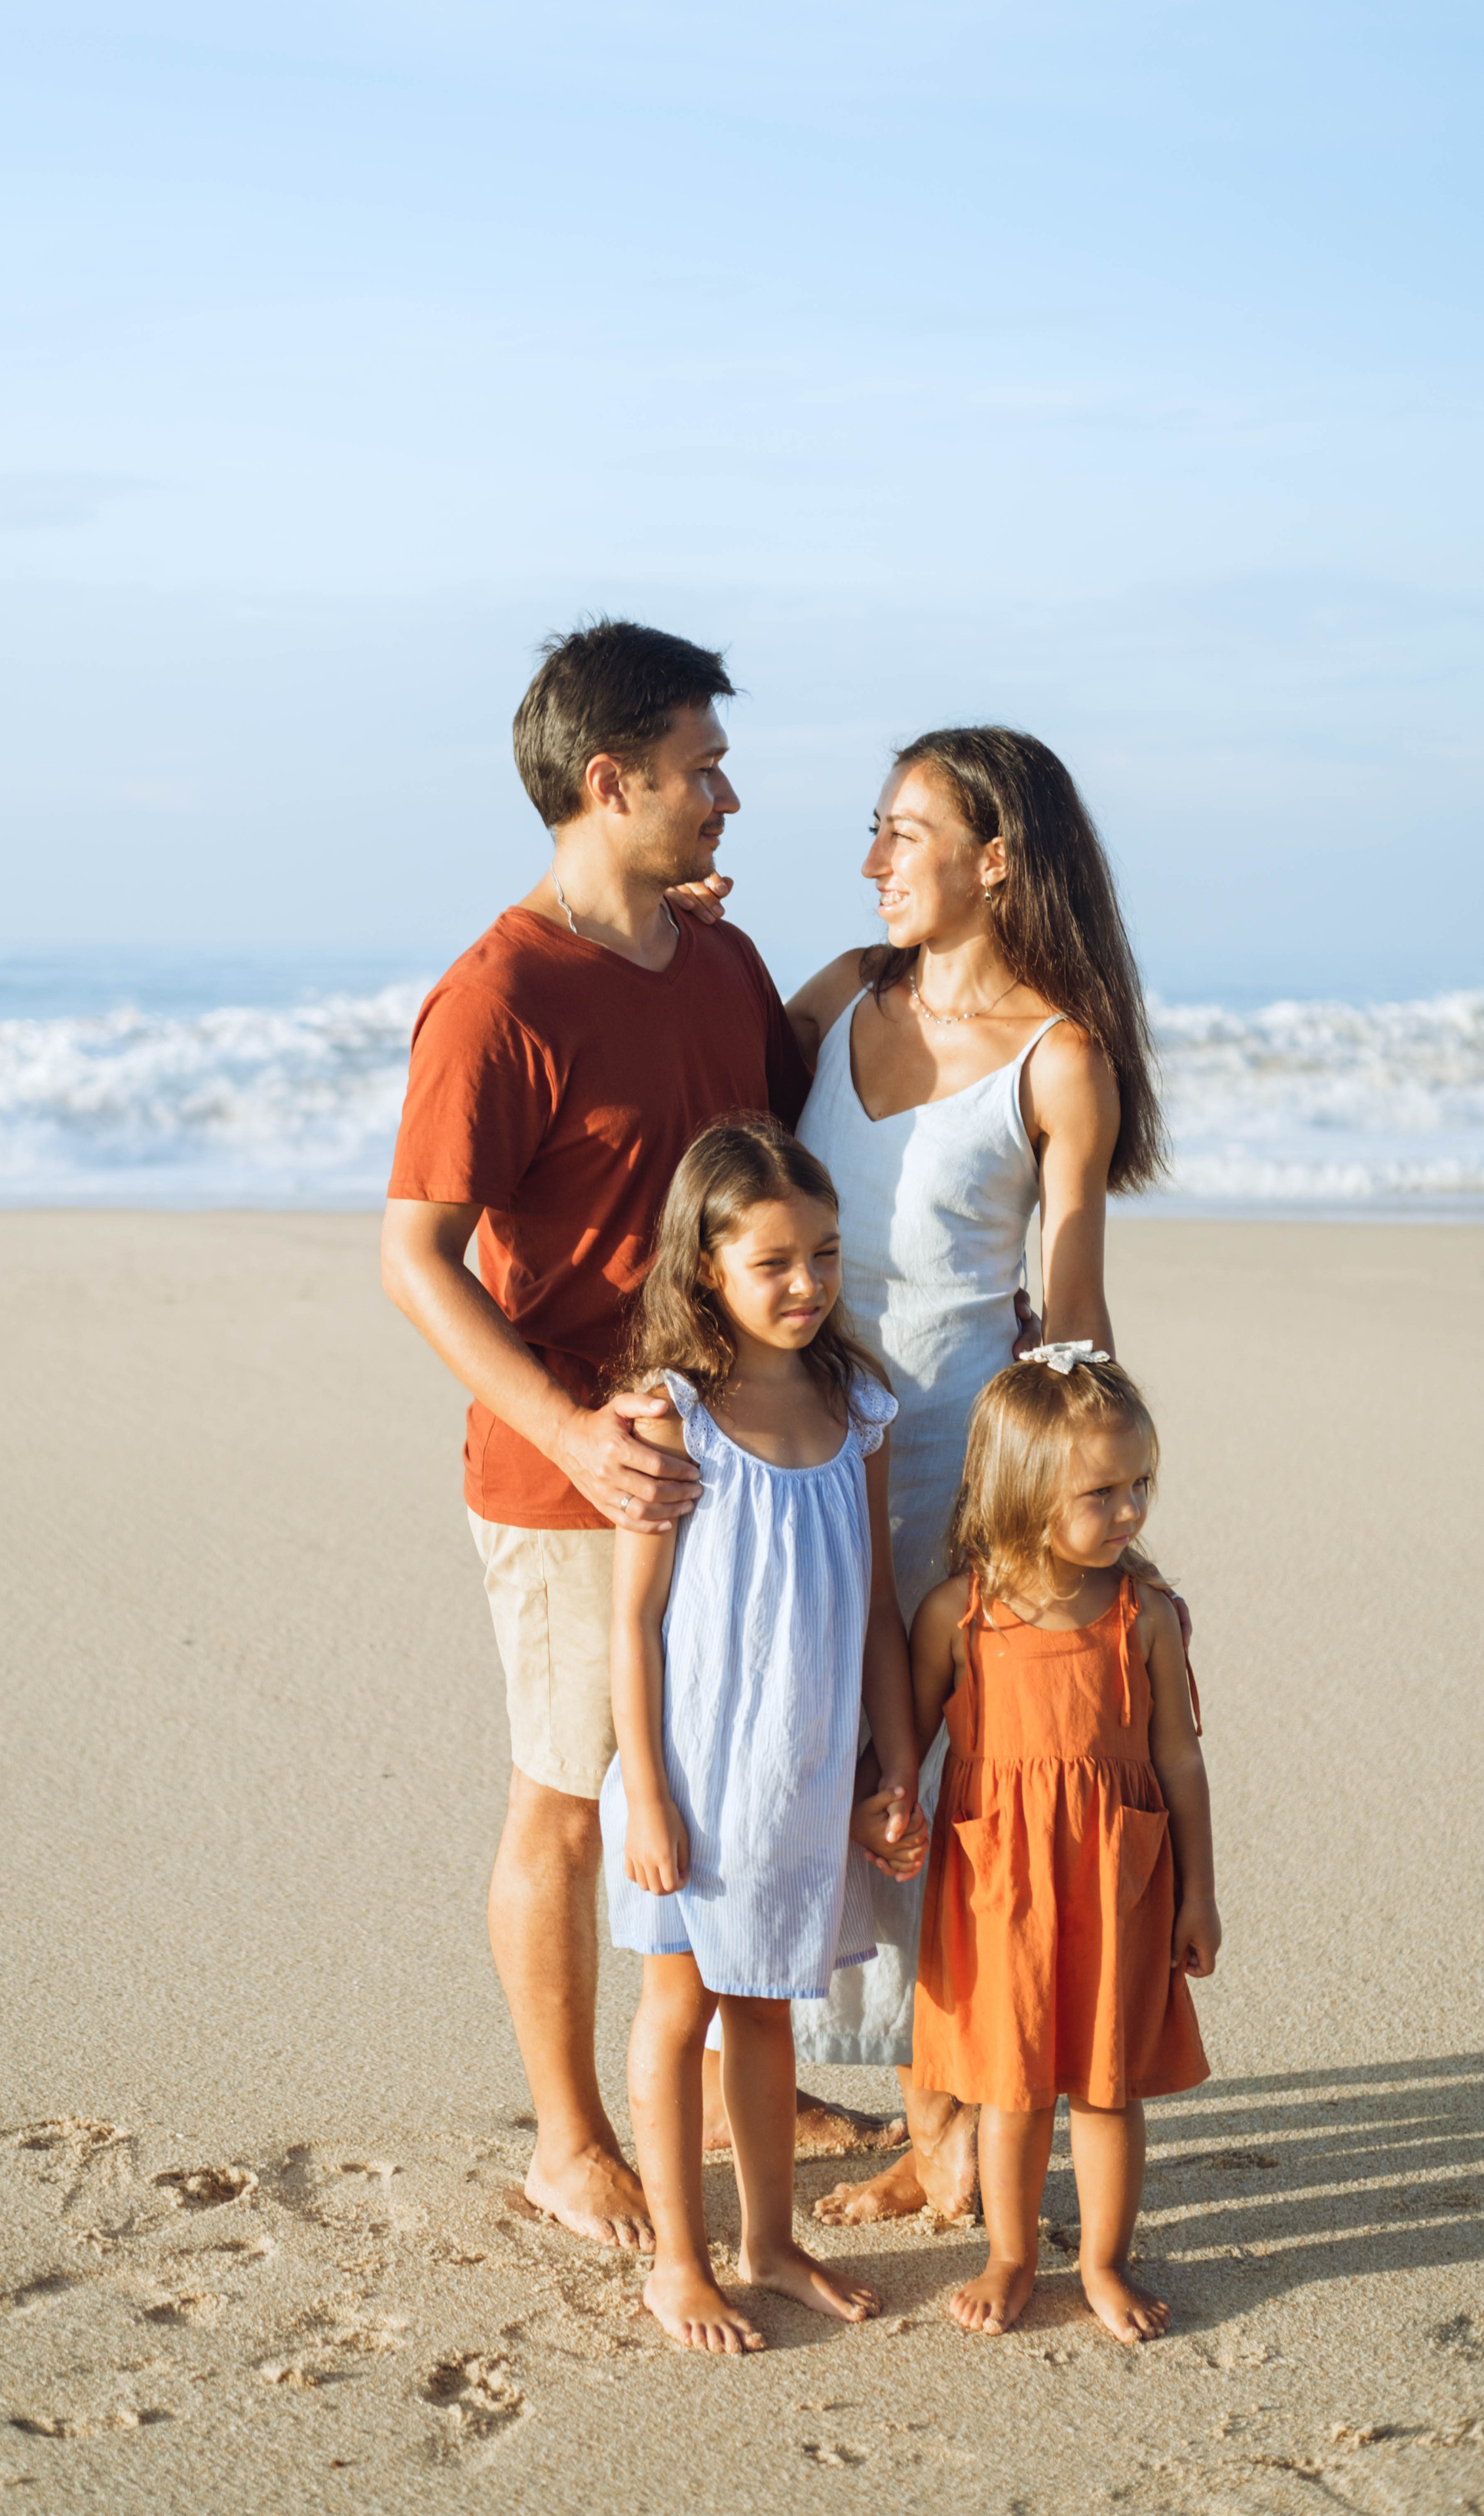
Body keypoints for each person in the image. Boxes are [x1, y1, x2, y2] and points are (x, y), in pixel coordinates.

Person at [380, 620, 812, 2251]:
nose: (727, 797)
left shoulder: (719, 960)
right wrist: (569, 1433)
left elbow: (786, 1142)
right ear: (607, 780)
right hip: (570, 1472)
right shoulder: (496, 996)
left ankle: (697, 2077)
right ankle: (567, 2140)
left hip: (737, 1459)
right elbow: (412, 1258)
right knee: (566, 1801)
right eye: (701, 771)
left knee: (697, 1782)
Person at [750, 726, 1173, 2228]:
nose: (871, 861)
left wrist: (1084, 1520)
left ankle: (942, 2129)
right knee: (805, 1752)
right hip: (794, 1450)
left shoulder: (1059, 1055)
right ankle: (796, 2066)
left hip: (950, 1465)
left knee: (939, 1783)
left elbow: (1070, 1315)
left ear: (994, 859)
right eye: (869, 831)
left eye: (901, 833)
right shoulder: (833, 999)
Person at [600, 1118, 920, 2350]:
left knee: (771, 2011)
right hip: (694, 1777)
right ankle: (680, 2260)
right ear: (706, 1269)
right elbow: (631, 1625)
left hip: (802, 1774)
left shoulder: (859, 1406)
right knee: (678, 2011)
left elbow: (882, 1609)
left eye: (826, 1255)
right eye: (774, 1261)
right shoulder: (674, 1414)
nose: (807, 1285)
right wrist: (646, 1803)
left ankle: (771, 2240)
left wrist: (890, 1768)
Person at [906, 1345, 1217, 2344]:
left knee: (1108, 2085)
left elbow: (1180, 1767)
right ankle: (1010, 2254)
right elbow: (905, 1747)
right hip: (999, 1884)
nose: (1129, 1511)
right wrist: (885, 1812)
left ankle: (1102, 2261)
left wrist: (1199, 1896)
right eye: (1102, 1492)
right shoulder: (963, 1615)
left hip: (1119, 1883)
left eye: (1139, 1487)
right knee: (1013, 2083)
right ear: (1024, 1492)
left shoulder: (1147, 1617)